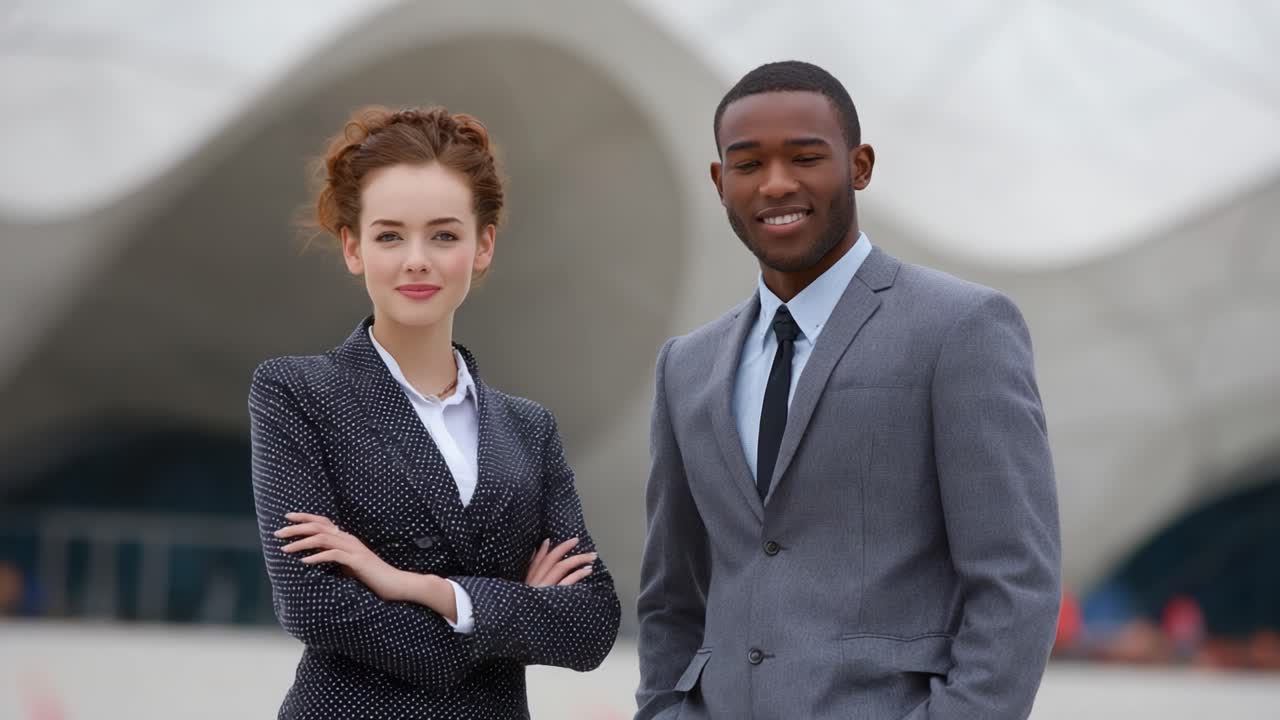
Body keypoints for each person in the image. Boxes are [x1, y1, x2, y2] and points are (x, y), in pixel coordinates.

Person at [635, 61, 1061, 719]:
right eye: (747, 165)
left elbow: (1016, 584)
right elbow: (672, 595)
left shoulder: (960, 329)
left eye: (805, 157)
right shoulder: (686, 366)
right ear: (720, 182)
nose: (777, 184)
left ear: (859, 166)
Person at [249, 105, 620, 718]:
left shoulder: (530, 429)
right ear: (352, 247)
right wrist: (505, 617)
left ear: (483, 245)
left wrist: (421, 590)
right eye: (389, 235)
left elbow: (591, 625)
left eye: (444, 235)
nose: (416, 259)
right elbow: (314, 607)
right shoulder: (297, 392)